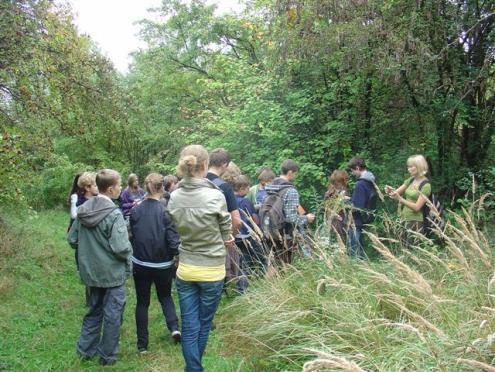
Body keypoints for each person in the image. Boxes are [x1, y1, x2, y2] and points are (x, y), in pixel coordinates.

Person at [168, 145, 233, 372]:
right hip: (212, 270)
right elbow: (226, 228)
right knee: (204, 324)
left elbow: (177, 224)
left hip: (186, 268)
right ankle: (194, 369)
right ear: (205, 165)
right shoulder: (216, 195)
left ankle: (192, 369)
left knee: (189, 325)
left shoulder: (174, 196)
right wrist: (225, 237)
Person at [68, 169, 132, 366]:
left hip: (91, 273)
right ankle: (107, 357)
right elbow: (121, 248)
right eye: (120, 185)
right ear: (111, 189)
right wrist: (128, 254)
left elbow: (72, 239)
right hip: (112, 274)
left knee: (93, 311)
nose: (121, 188)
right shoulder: (114, 214)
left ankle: (85, 351)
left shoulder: (83, 210)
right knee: (113, 316)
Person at [129, 173, 181, 354]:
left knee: (142, 303)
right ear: (162, 188)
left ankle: (142, 345)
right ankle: (174, 327)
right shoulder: (165, 212)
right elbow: (173, 240)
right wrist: (177, 257)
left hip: (141, 263)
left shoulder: (135, 210)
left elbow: (132, 235)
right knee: (165, 296)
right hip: (162, 264)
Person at [263, 159, 315, 264]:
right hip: (285, 233)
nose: (295, 177)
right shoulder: (290, 190)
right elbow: (291, 217)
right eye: (295, 174)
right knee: (284, 265)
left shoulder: (270, 187)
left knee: (273, 264)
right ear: (290, 172)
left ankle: (272, 280)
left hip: (269, 229)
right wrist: (306, 218)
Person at [385, 155, 431, 247]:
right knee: (404, 249)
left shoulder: (426, 185)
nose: (409, 169)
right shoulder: (411, 180)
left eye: (411, 166)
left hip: (416, 222)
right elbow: (395, 195)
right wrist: (391, 191)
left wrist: (400, 199)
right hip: (404, 218)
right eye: (408, 167)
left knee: (413, 251)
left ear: (419, 166)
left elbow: (417, 207)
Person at [233, 175, 261, 293]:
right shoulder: (246, 201)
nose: (249, 188)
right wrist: (258, 231)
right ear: (242, 188)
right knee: (257, 259)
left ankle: (241, 286)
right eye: (248, 186)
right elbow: (254, 219)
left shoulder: (231, 199)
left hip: (236, 235)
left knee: (241, 261)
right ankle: (246, 287)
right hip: (247, 235)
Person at [347, 157, 377, 258]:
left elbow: (357, 206)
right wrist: (351, 198)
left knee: (355, 253)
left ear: (357, 167)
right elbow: (364, 199)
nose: (352, 173)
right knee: (360, 250)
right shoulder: (370, 180)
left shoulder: (360, 183)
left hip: (357, 221)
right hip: (365, 219)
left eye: (352, 170)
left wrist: (345, 202)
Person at [324, 170, 351, 243]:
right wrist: (333, 213)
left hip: (344, 222)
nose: (336, 186)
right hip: (334, 222)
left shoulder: (345, 190)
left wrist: (348, 200)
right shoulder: (330, 192)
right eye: (335, 184)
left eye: (337, 184)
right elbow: (324, 207)